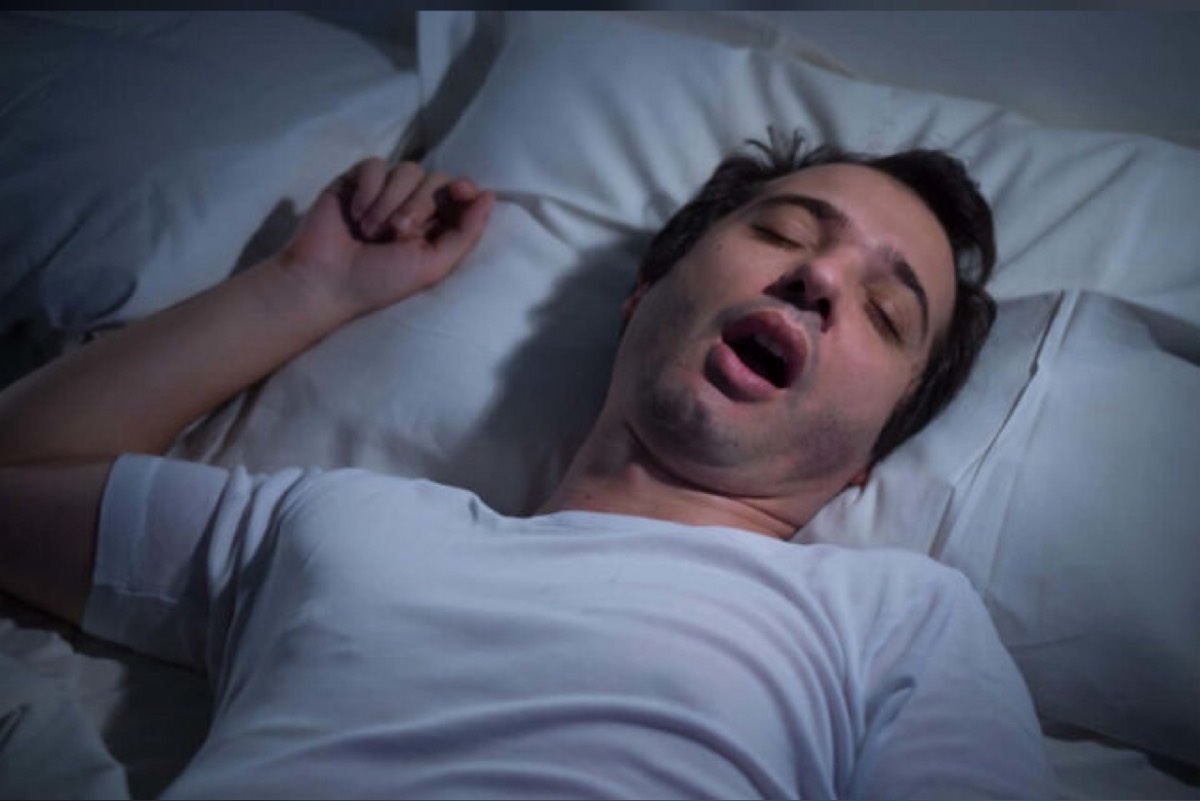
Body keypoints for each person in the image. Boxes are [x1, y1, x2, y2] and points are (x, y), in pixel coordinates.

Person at [0, 134, 1052, 799]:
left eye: (886, 311)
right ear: (647, 288)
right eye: (784, 230)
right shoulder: (347, 525)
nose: (819, 276)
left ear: (871, 456)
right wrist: (305, 287)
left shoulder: (895, 618)